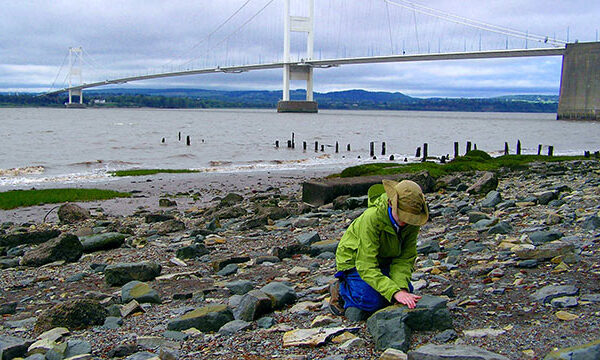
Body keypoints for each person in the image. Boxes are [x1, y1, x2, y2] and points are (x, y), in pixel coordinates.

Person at [330, 179, 429, 315]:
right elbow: (366, 265)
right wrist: (393, 291)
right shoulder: (372, 218)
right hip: (354, 260)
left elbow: (405, 258)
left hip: (384, 258)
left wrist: (400, 289)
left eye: (409, 218)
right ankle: (341, 290)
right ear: (391, 202)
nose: (405, 222)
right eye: (402, 216)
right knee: (372, 302)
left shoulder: (412, 221)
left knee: (406, 293)